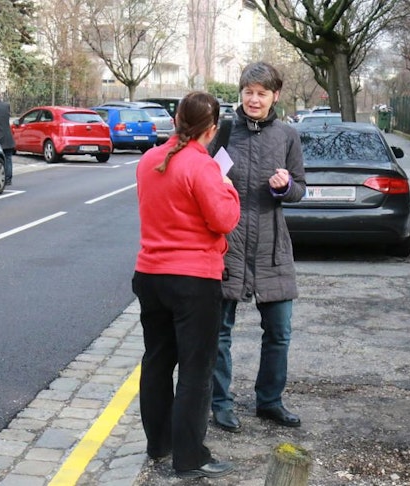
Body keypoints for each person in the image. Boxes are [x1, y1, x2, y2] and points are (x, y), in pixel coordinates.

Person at [132, 91, 241, 479]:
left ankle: (159, 443)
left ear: (176, 120)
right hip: (194, 279)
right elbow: (225, 219)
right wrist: (227, 184)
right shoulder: (202, 166)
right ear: (211, 130)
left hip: (150, 274)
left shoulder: (148, 161)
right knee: (196, 370)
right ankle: (189, 457)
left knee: (158, 361)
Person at [208, 61, 307, 432]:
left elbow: (299, 188)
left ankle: (269, 401)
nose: (254, 99)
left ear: (274, 96)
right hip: (227, 245)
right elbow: (203, 178)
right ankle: (220, 403)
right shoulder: (224, 132)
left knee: (279, 332)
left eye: (262, 93)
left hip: (272, 248)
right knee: (219, 332)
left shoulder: (287, 136)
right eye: (248, 92)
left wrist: (285, 187)